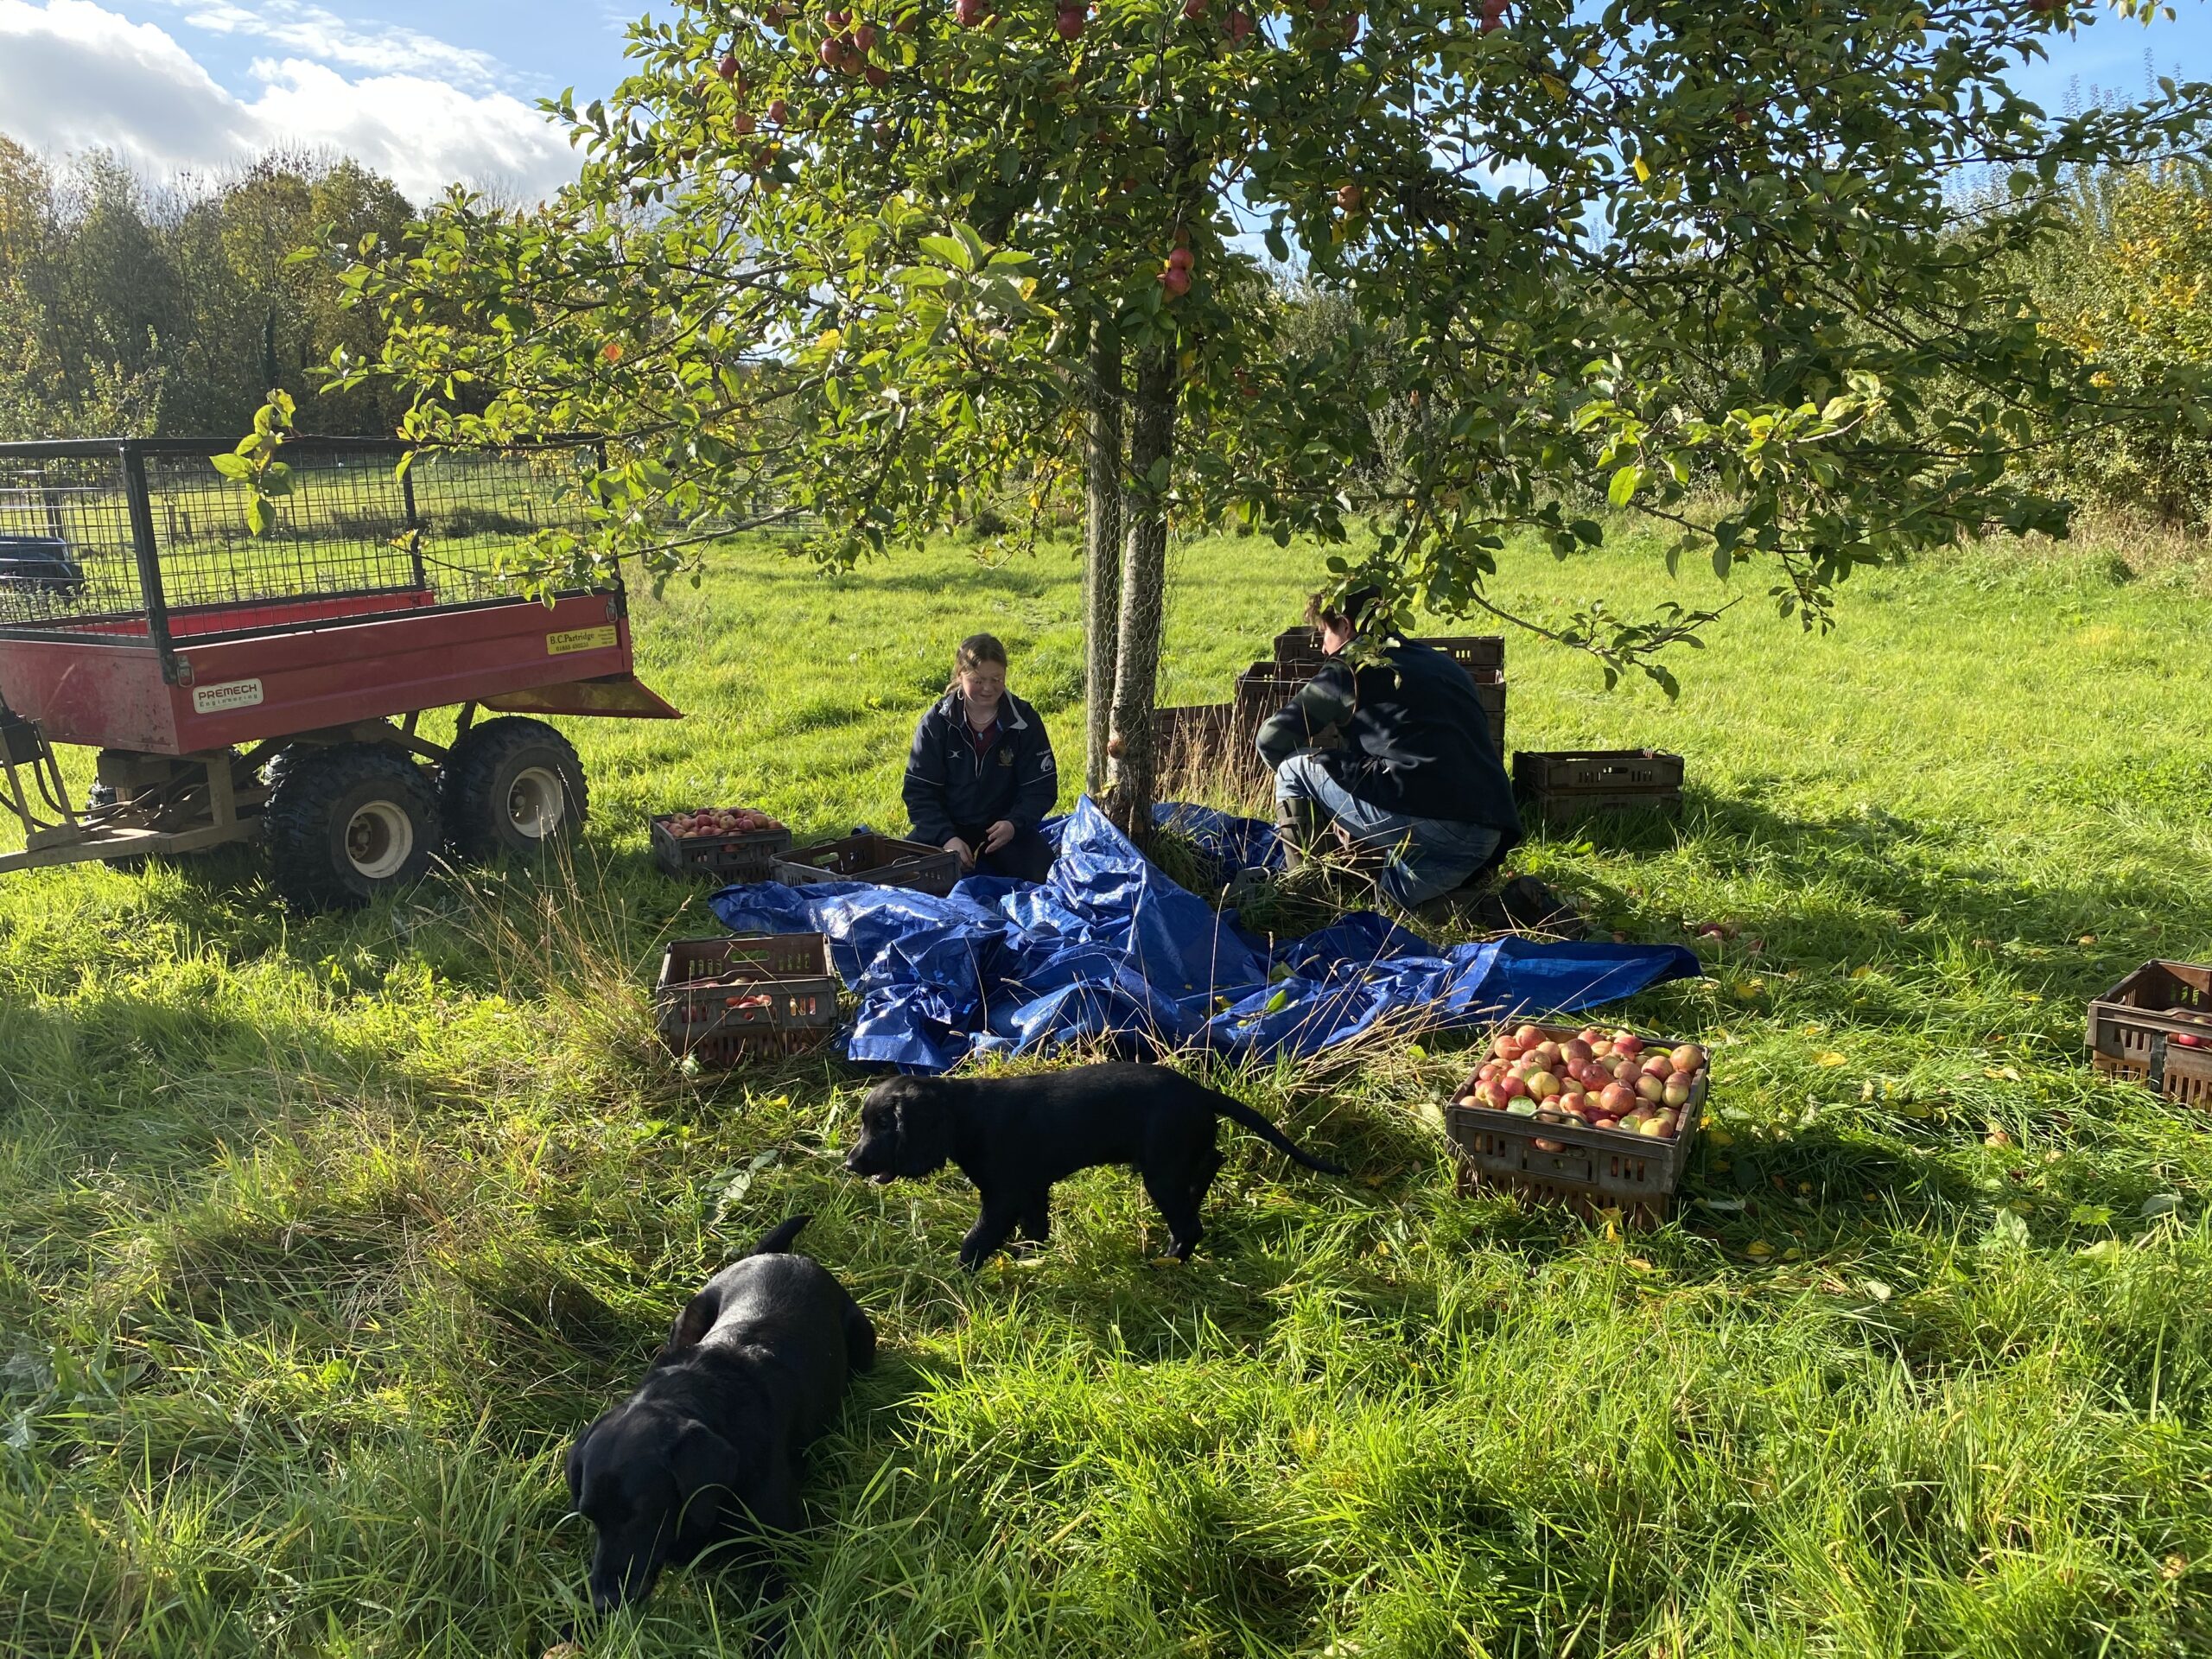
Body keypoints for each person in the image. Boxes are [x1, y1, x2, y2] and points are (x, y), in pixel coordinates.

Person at [1255, 587, 1522, 915]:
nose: (1323, 647)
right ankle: (1511, 905)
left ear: (1345, 626)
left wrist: (1326, 807)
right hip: (1487, 830)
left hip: (1426, 820)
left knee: (1292, 769)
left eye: (1324, 632)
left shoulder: (1349, 668)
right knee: (1394, 909)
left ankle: (1306, 899)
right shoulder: (1442, 663)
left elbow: (1270, 740)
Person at [903, 632, 1060, 883]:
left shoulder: (1025, 720)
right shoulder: (936, 723)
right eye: (978, 680)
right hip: (947, 829)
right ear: (960, 676)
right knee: (901, 877)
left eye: (996, 679)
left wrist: (1013, 824)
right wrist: (946, 838)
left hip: (1004, 831)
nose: (988, 688)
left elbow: (1041, 788)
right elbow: (918, 793)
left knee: (1046, 878)